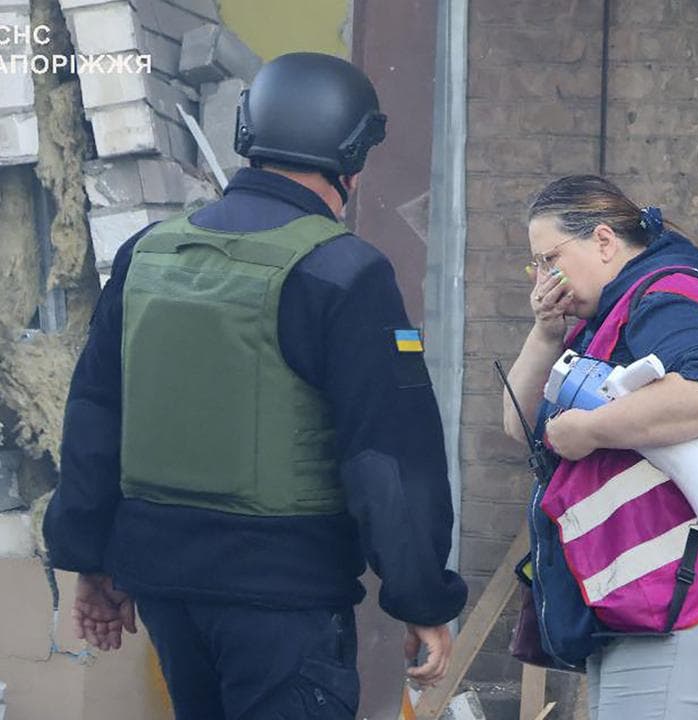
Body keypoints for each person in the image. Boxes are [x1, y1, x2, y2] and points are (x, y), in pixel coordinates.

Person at [42, 52, 466, 719]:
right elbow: (388, 457)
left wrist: (88, 560)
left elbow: (95, 417)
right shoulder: (344, 273)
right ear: (353, 154)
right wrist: (420, 598)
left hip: (168, 593)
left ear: (247, 133)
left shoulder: (148, 254)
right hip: (282, 600)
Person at [500, 175, 698, 719]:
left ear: (604, 241)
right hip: (645, 589)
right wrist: (543, 332)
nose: (543, 278)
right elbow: (520, 422)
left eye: (550, 259)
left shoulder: (667, 296)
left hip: (680, 587)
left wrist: (590, 430)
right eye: (535, 265)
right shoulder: (611, 311)